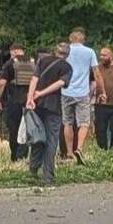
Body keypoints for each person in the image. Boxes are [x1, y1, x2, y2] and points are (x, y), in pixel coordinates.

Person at [26, 43, 72, 186]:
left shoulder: (42, 61)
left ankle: (33, 172)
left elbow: (34, 79)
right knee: (51, 141)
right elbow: (60, 84)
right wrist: (42, 93)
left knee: (37, 137)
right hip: (53, 107)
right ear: (67, 55)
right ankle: (48, 177)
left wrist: (30, 97)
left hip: (37, 105)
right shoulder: (67, 67)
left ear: (55, 51)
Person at [61, 28, 104, 165]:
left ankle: (68, 153)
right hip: (82, 93)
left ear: (70, 39)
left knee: (67, 122)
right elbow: (96, 74)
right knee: (84, 123)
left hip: (66, 91)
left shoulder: (64, 51)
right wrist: (101, 91)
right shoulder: (89, 52)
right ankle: (79, 148)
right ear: (83, 40)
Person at [0, 43, 33, 162]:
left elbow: (1, 83)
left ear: (13, 51)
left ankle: (15, 157)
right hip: (29, 101)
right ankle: (23, 156)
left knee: (14, 129)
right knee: (26, 129)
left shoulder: (10, 64)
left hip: (14, 101)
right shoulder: (33, 62)